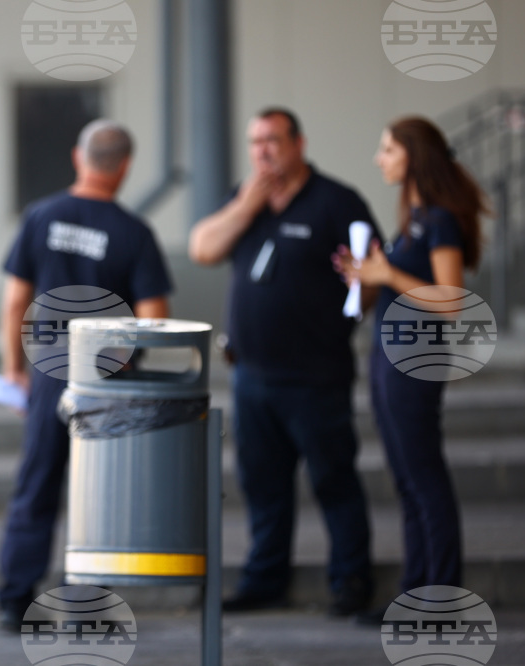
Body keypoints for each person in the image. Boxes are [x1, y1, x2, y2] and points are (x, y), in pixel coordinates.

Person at [188, 108, 377, 616]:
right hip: (252, 374)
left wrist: (369, 279)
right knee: (262, 484)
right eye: (255, 142)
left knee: (333, 479)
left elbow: (372, 276)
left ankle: (351, 580)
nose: (263, 151)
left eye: (272, 140)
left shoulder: (337, 201)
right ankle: (264, 579)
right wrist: (246, 205)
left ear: (299, 143)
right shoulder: (245, 198)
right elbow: (202, 248)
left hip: (316, 375)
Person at [0, 119, 173, 629]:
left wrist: (15, 368)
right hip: (107, 375)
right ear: (125, 168)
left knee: (37, 483)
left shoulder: (41, 216)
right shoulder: (134, 233)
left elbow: (14, 304)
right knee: (102, 491)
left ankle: (14, 598)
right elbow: (154, 317)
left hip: (50, 367)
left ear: (79, 156)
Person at [333, 117, 488, 618]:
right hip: (387, 355)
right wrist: (368, 277)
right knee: (405, 478)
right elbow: (405, 287)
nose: (380, 159)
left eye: (387, 150)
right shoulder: (414, 219)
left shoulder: (439, 220)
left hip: (414, 360)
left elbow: (448, 301)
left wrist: (387, 272)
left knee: (424, 478)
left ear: (413, 156)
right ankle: (415, 589)